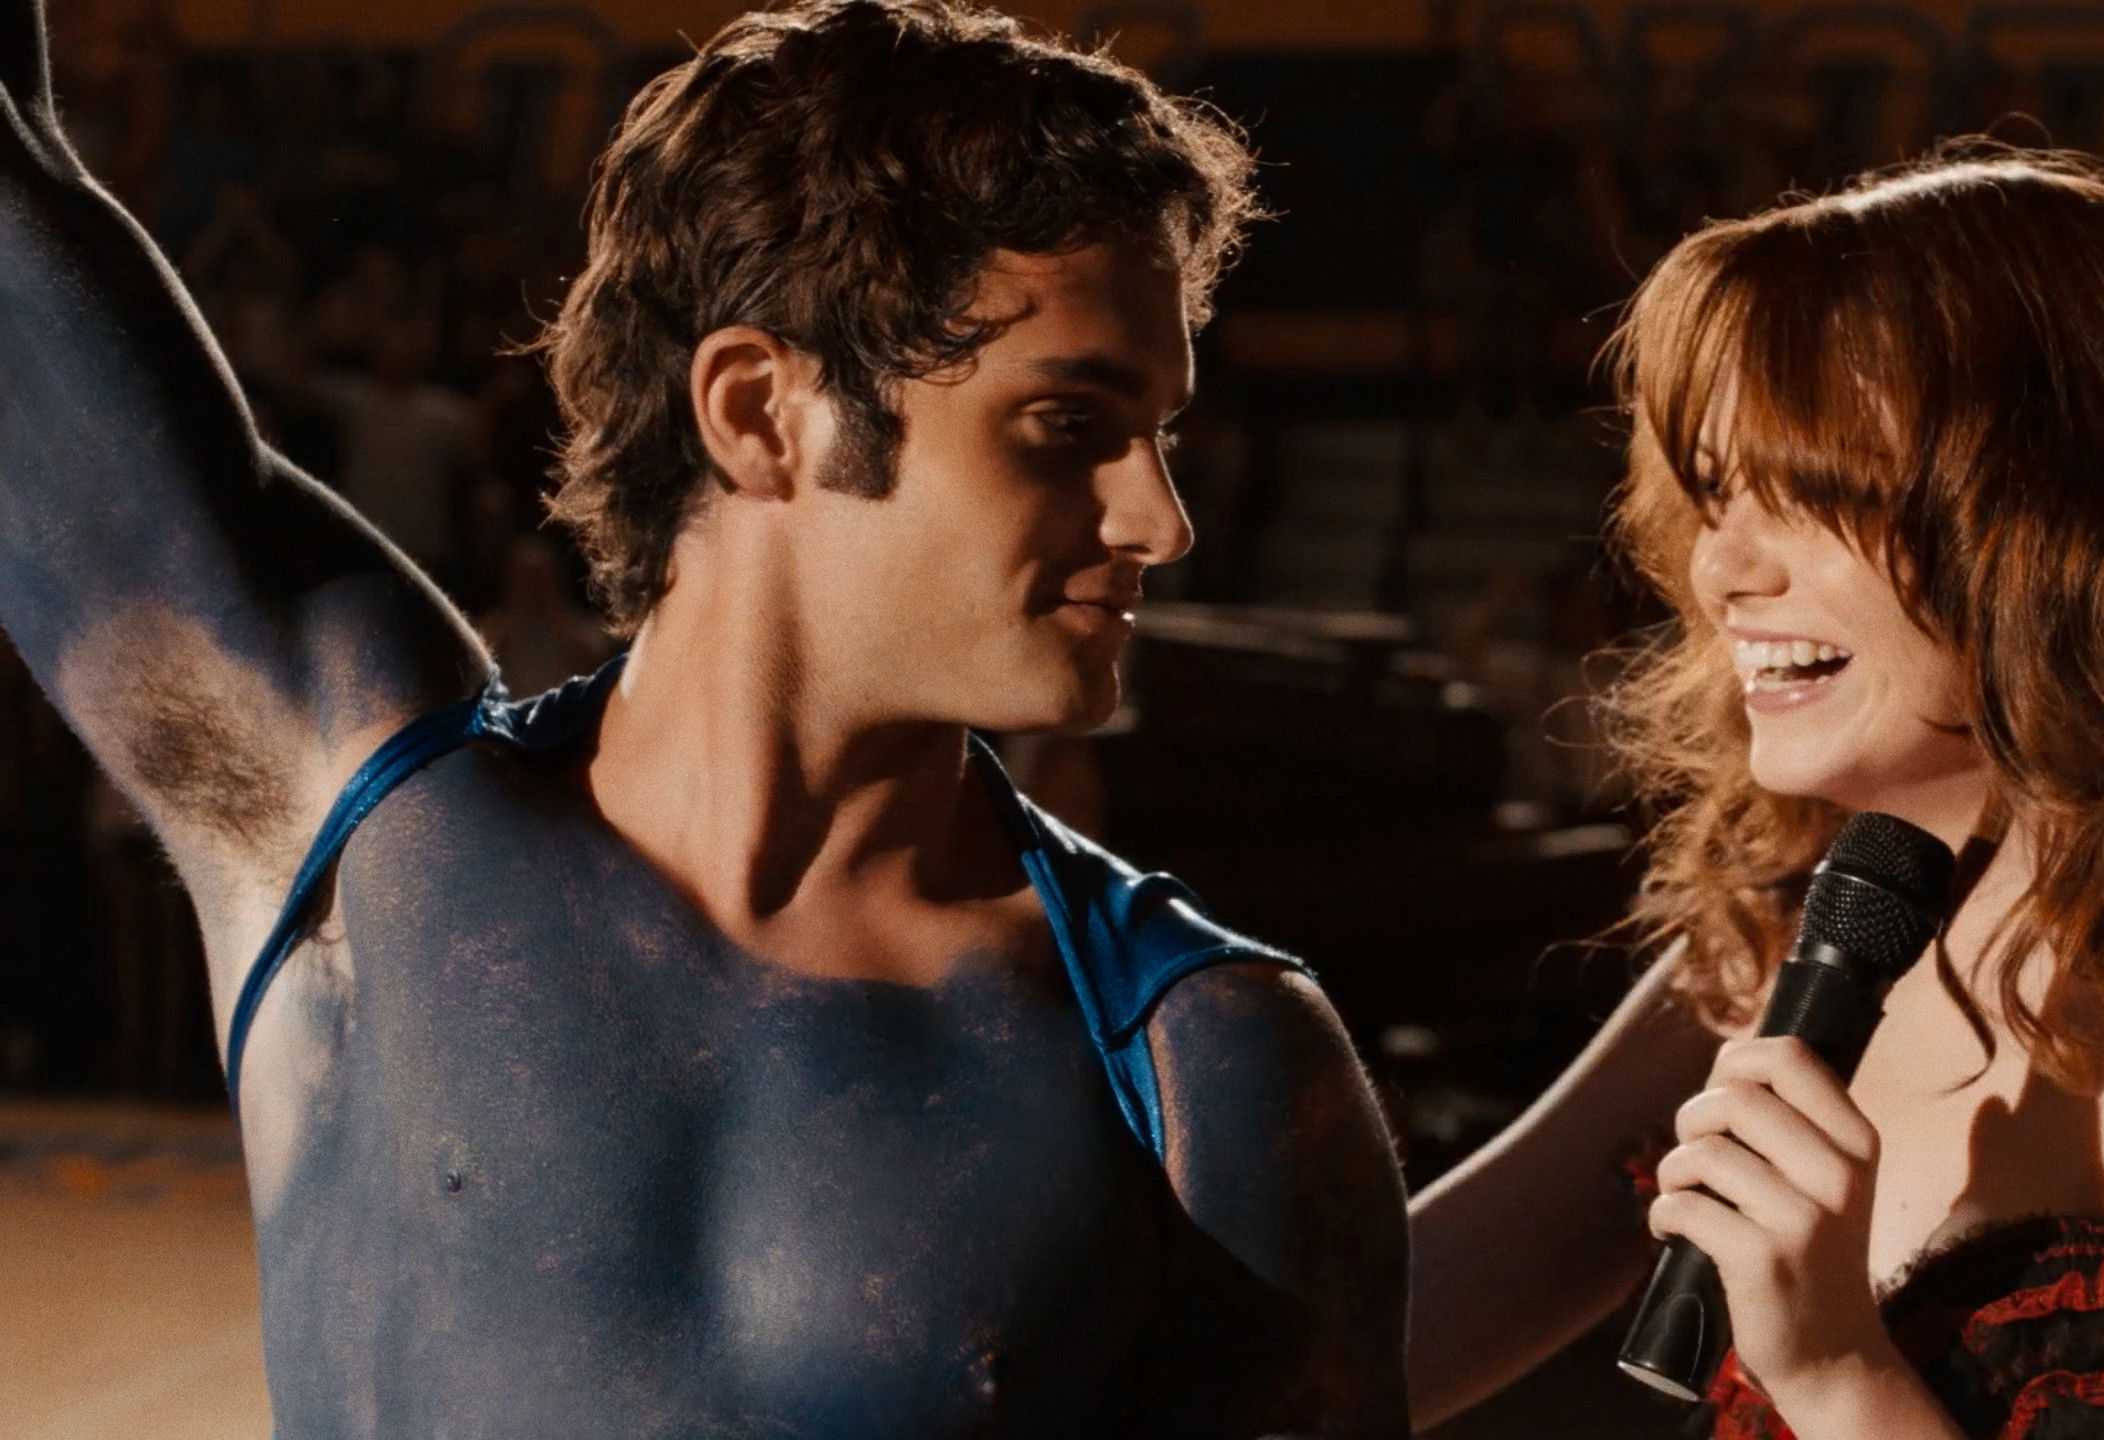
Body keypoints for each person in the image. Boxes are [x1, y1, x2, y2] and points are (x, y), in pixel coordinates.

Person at [0, 1, 1408, 1435]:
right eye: (1070, 425)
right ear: (757, 409)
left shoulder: (1199, 1065)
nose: (1159, 520)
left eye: (1161, 432)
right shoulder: (356, 817)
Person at [1409, 147, 2104, 1438]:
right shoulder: (1768, 943)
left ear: (2065, 519)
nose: (1722, 571)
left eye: (1812, 495)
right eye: (1716, 494)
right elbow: (1362, 1348)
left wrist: (1839, 1376)